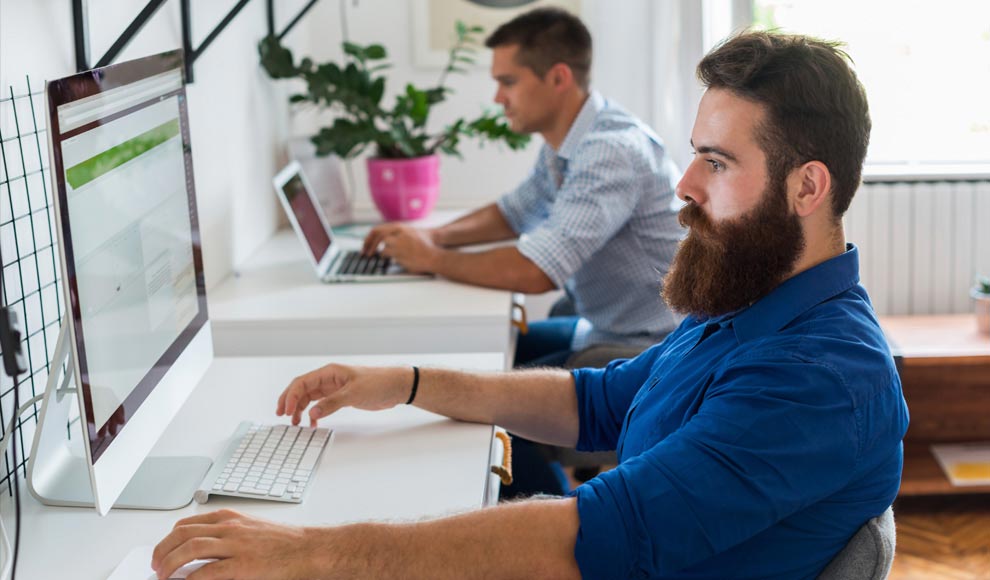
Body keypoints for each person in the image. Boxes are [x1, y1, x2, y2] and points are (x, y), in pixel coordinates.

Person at [152, 31, 910, 580]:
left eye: (717, 162)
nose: (683, 183)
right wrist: (408, 382)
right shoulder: (752, 296)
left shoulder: (816, 376)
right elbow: (598, 401)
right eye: (694, 152)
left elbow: (592, 536)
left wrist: (314, 552)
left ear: (807, 187)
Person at [362, 8, 683, 367]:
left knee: (475, 383)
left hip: (647, 349)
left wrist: (431, 259)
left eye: (508, 82)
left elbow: (537, 272)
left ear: (558, 77)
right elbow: (514, 213)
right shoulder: (569, 140)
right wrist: (431, 238)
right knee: (470, 355)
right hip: (603, 330)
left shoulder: (609, 151)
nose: (498, 97)